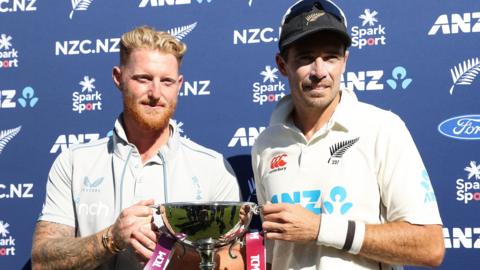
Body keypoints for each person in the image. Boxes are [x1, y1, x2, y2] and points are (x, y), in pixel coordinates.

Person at [251, 0, 445, 269]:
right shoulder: (266, 145)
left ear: (345, 61)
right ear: (282, 65)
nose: (320, 72)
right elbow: (274, 254)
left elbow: (430, 246)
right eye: (306, 58)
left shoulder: (382, 128)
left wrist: (321, 229)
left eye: (330, 57)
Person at [32, 26, 242, 270]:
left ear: (179, 85)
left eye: (166, 81)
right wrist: (111, 239)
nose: (155, 93)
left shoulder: (212, 167)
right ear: (118, 78)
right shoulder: (74, 162)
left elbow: (234, 261)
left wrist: (174, 256)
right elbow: (41, 261)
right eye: (143, 79)